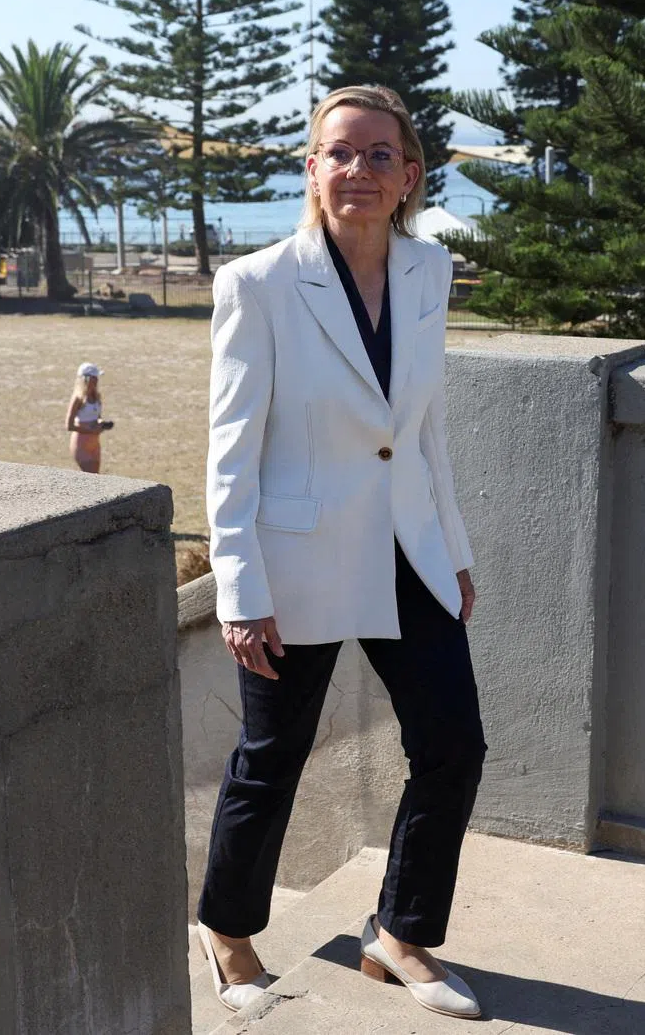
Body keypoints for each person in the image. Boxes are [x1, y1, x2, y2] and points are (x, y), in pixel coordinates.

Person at [196, 85, 485, 1020]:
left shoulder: (430, 270)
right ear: (312, 169)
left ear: (410, 175)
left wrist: (454, 547)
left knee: (453, 745)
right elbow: (232, 450)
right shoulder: (258, 283)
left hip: (408, 550)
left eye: (379, 154)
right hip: (296, 560)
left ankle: (399, 934)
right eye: (340, 153)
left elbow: (425, 429)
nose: (359, 169)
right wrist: (239, 590)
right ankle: (227, 932)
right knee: (272, 756)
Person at [65, 362, 113, 473]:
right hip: (81, 443)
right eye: (94, 378)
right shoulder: (78, 398)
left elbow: (97, 416)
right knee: (91, 475)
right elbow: (69, 426)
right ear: (88, 379)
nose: (97, 380)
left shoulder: (96, 396)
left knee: (96, 476)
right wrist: (90, 430)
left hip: (94, 442)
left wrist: (101, 423)